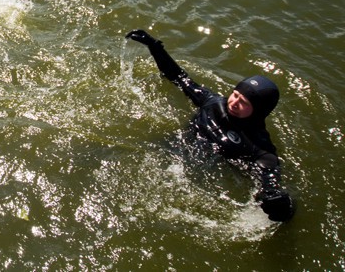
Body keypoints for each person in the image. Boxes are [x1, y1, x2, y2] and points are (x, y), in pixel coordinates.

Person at [126, 29, 294, 222]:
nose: (234, 102)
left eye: (244, 102)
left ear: (258, 111)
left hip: (201, 174)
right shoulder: (212, 103)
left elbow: (270, 181)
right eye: (235, 95)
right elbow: (179, 77)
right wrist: (154, 46)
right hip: (176, 146)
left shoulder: (259, 146)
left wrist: (279, 202)